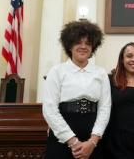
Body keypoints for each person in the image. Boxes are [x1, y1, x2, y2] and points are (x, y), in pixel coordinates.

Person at [42, 20, 111, 159]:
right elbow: (49, 110)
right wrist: (73, 142)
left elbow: (105, 108)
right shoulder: (57, 71)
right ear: (69, 46)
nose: (83, 47)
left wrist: (92, 142)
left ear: (93, 47)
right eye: (78, 42)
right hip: (62, 139)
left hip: (93, 141)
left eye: (88, 43)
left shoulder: (101, 73)